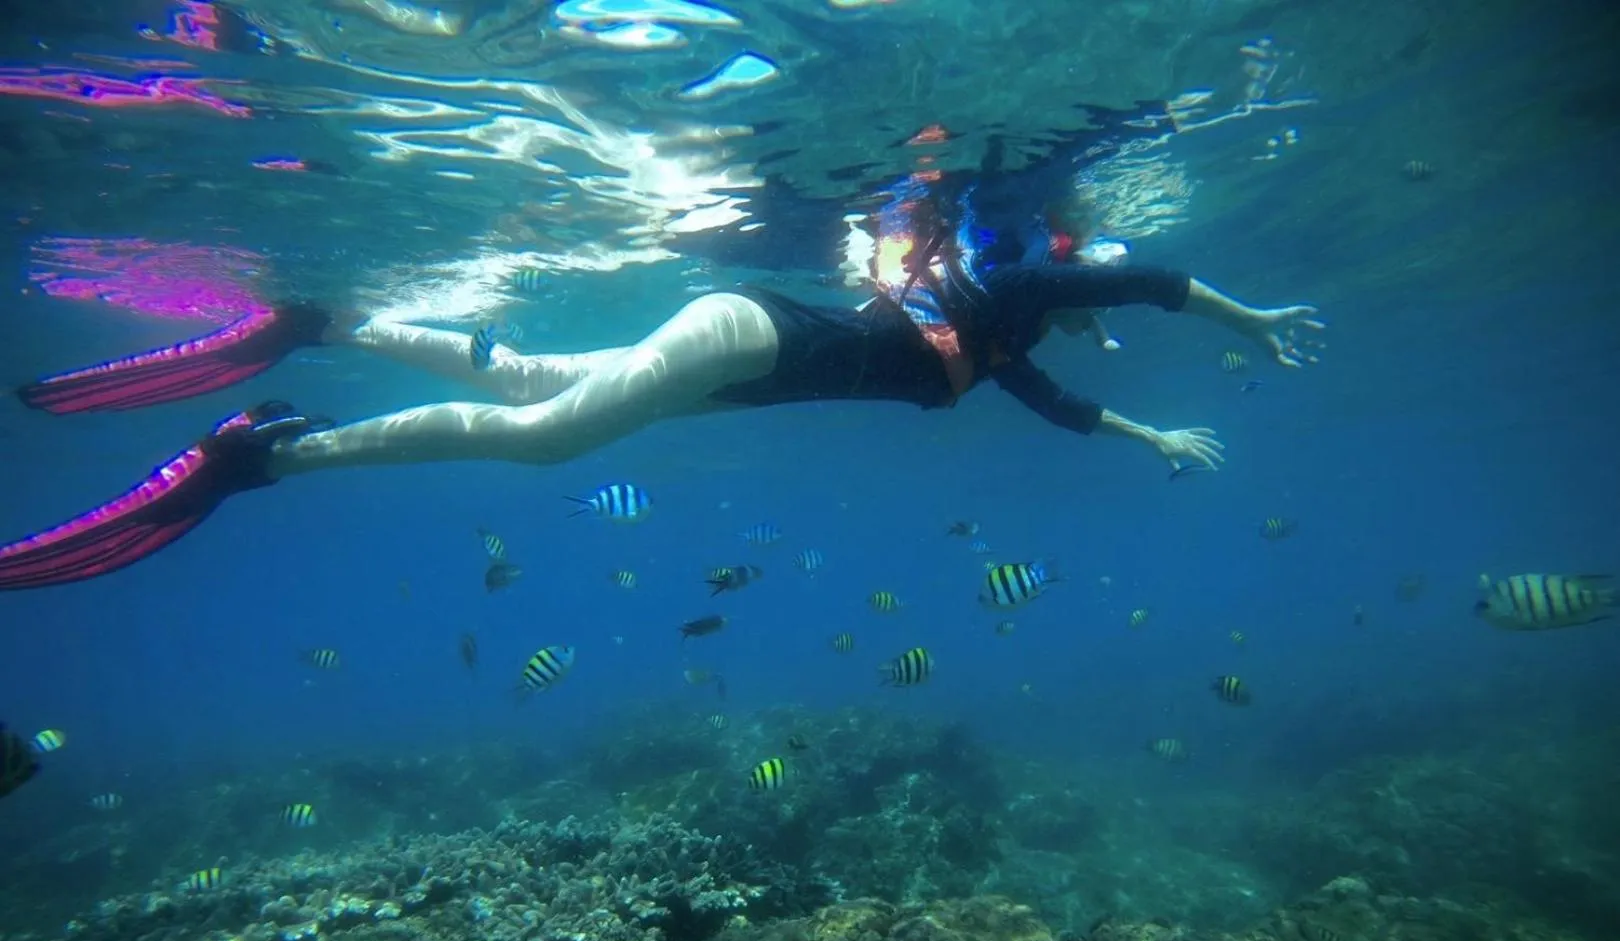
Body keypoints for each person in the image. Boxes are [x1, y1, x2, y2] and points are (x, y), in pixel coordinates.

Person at [0, 187, 1322, 590]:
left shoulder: (1007, 348)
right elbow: (1150, 284)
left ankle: (324, 325)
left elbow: (1062, 407)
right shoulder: (1022, 286)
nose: (1085, 318)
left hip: (740, 363)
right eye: (1085, 295)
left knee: (530, 379)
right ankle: (266, 454)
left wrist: (1156, 436)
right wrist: (1252, 321)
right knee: (541, 440)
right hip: (750, 339)